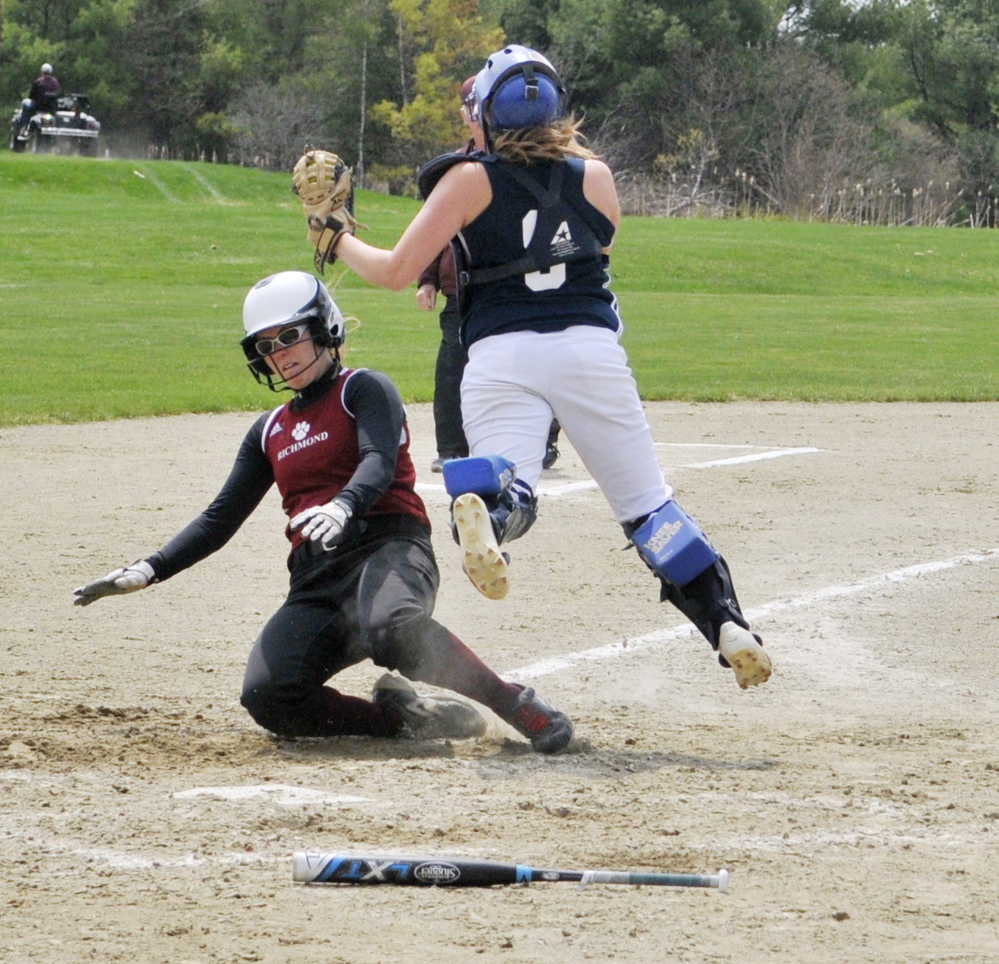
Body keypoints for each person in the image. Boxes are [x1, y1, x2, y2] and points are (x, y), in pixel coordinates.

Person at [326, 45, 772, 691]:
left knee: (511, 480)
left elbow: (394, 272)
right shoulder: (594, 174)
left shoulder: (465, 180)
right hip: (589, 351)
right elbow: (602, 241)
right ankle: (724, 621)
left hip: (500, 354)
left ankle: (493, 508)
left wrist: (336, 234)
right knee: (647, 506)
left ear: (483, 109)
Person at [72, 270, 575, 753]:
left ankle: (514, 704)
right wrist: (149, 568)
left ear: (324, 328)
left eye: (289, 335)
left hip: (391, 548)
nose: (280, 355)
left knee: (393, 626)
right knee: (270, 696)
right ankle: (402, 719)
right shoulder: (268, 430)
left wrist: (343, 505)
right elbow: (219, 518)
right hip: (316, 578)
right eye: (266, 346)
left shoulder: (363, 389)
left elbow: (378, 461)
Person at [419, 77, 561, 474]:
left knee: (540, 362)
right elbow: (433, 232)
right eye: (469, 107)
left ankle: (543, 441)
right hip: (462, 289)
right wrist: (428, 278)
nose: (471, 114)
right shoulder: (456, 170)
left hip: (518, 286)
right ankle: (451, 447)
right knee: (454, 365)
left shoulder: (534, 166)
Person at [17, 64, 61, 129]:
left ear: (42, 71)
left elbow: (32, 95)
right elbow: (58, 93)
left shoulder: (39, 81)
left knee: (25, 102)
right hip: (51, 107)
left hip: (39, 106)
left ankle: (24, 125)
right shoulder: (55, 82)